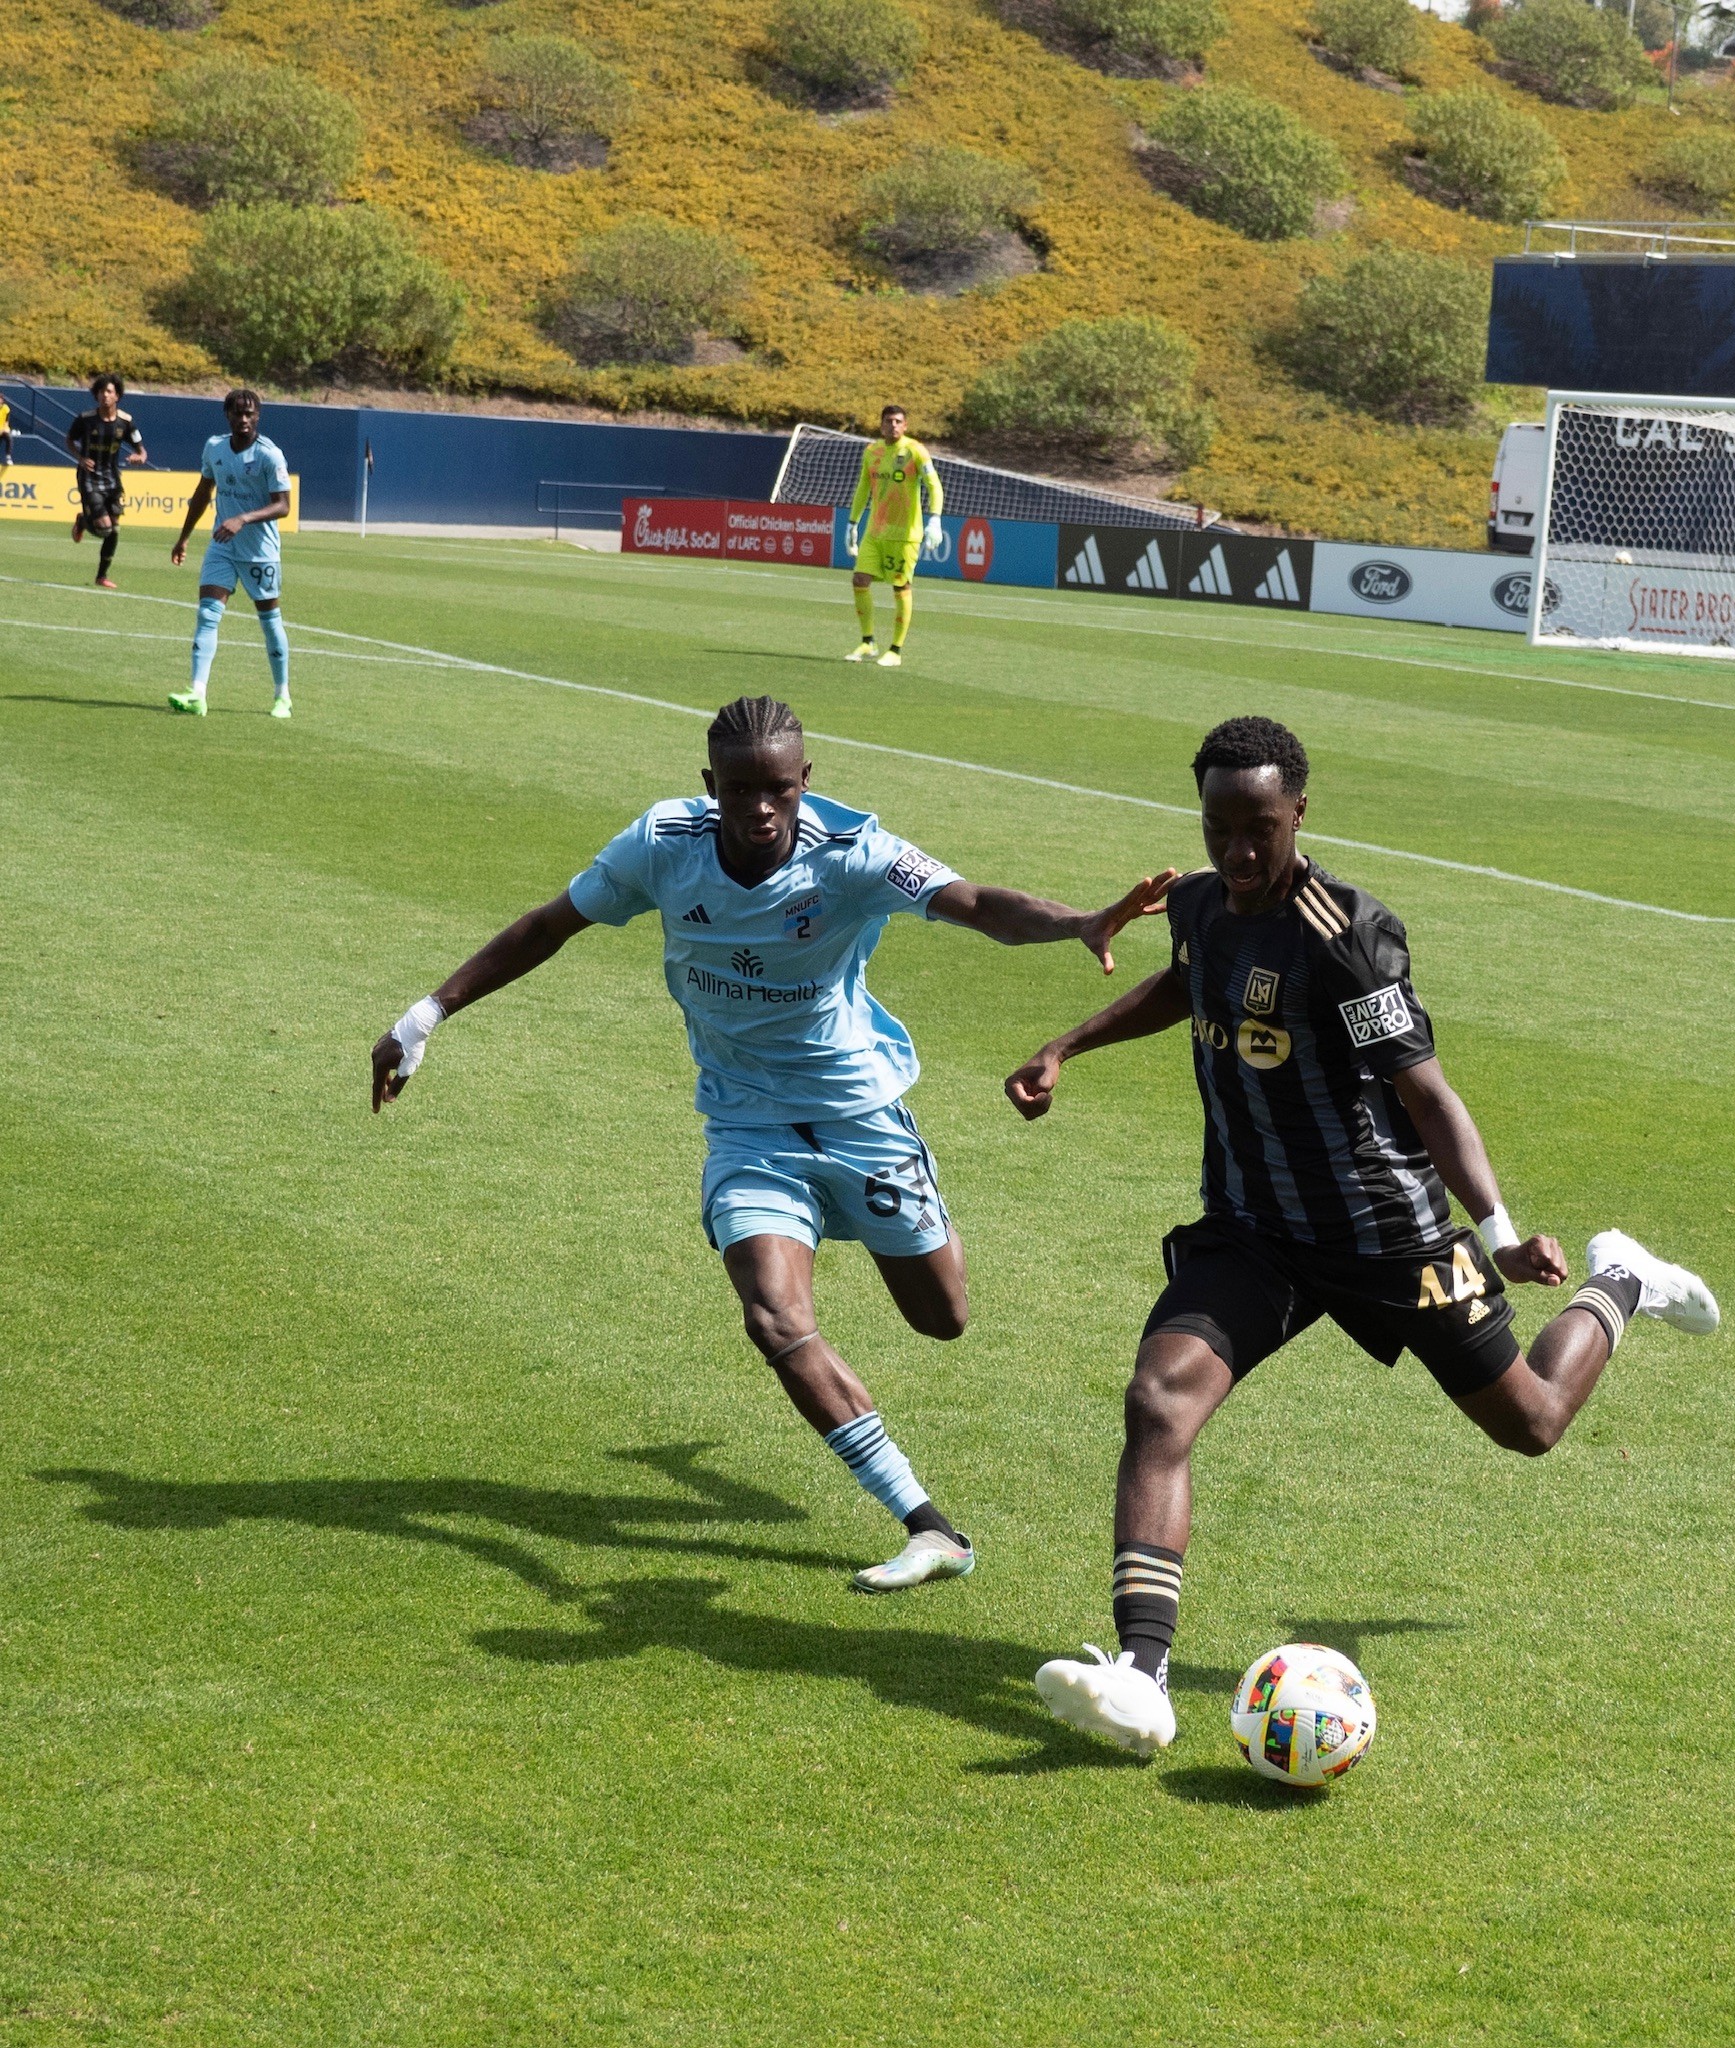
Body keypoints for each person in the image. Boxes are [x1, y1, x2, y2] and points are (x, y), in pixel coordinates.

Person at [1008, 716, 1720, 1758]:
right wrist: (1066, 1044)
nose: (1238, 853)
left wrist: (1500, 1235)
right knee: (1158, 1395)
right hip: (1252, 1229)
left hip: (1386, 1233)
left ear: (1298, 811)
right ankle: (1142, 1676)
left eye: (1259, 828)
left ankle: (1621, 1277)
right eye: (1218, 827)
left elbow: (1425, 1095)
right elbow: (1187, 980)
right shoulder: (1202, 902)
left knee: (1529, 1420)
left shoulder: (1345, 935)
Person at [370, 694, 1174, 1592]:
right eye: (741, 789)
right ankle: (929, 1525)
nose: (761, 808)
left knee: (941, 1317)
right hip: (746, 1124)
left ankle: (892, 1228)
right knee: (774, 1319)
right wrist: (428, 1012)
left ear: (806, 784)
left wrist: (1079, 922)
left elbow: (978, 902)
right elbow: (549, 925)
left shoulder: (855, 855)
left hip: (860, 1115)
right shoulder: (661, 845)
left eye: (780, 790)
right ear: (709, 784)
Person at [168, 389, 293, 719]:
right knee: (208, 614)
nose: (243, 418)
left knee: (269, 622)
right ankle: (197, 692)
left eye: (250, 413)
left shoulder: (270, 456)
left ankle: (283, 696)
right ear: (227, 415)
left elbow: (283, 505)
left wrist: (243, 518)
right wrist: (183, 538)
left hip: (260, 552)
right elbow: (201, 493)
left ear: (258, 417)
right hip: (222, 546)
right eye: (237, 413)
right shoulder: (215, 448)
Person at [844, 404, 943, 670]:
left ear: (906, 425)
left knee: (900, 586)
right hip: (875, 532)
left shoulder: (915, 451)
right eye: (889, 421)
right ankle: (868, 642)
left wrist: (935, 519)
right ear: (881, 424)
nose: (894, 426)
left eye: (899, 421)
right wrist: (852, 523)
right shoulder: (872, 451)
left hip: (904, 535)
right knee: (859, 579)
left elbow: (934, 485)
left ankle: (895, 650)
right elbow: (864, 487)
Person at [67, 374, 147, 590]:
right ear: (96, 395)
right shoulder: (85, 419)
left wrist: (139, 457)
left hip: (112, 478)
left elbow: (142, 450)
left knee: (114, 530)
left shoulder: (126, 422)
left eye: (109, 392)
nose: (105, 395)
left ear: (117, 395)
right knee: (104, 528)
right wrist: (80, 458)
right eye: (101, 392)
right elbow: (69, 440)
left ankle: (101, 576)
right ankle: (84, 521)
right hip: (89, 477)